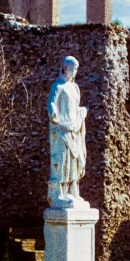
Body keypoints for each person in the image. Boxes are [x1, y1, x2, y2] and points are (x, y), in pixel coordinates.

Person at [47, 56, 88, 209]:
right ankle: (59, 194)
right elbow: (52, 102)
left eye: (76, 69)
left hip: (74, 129)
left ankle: (74, 192)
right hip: (62, 129)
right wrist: (53, 113)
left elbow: (75, 107)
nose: (74, 71)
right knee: (63, 162)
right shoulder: (57, 86)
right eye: (72, 68)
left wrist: (81, 111)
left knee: (76, 162)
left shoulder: (74, 88)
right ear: (65, 67)